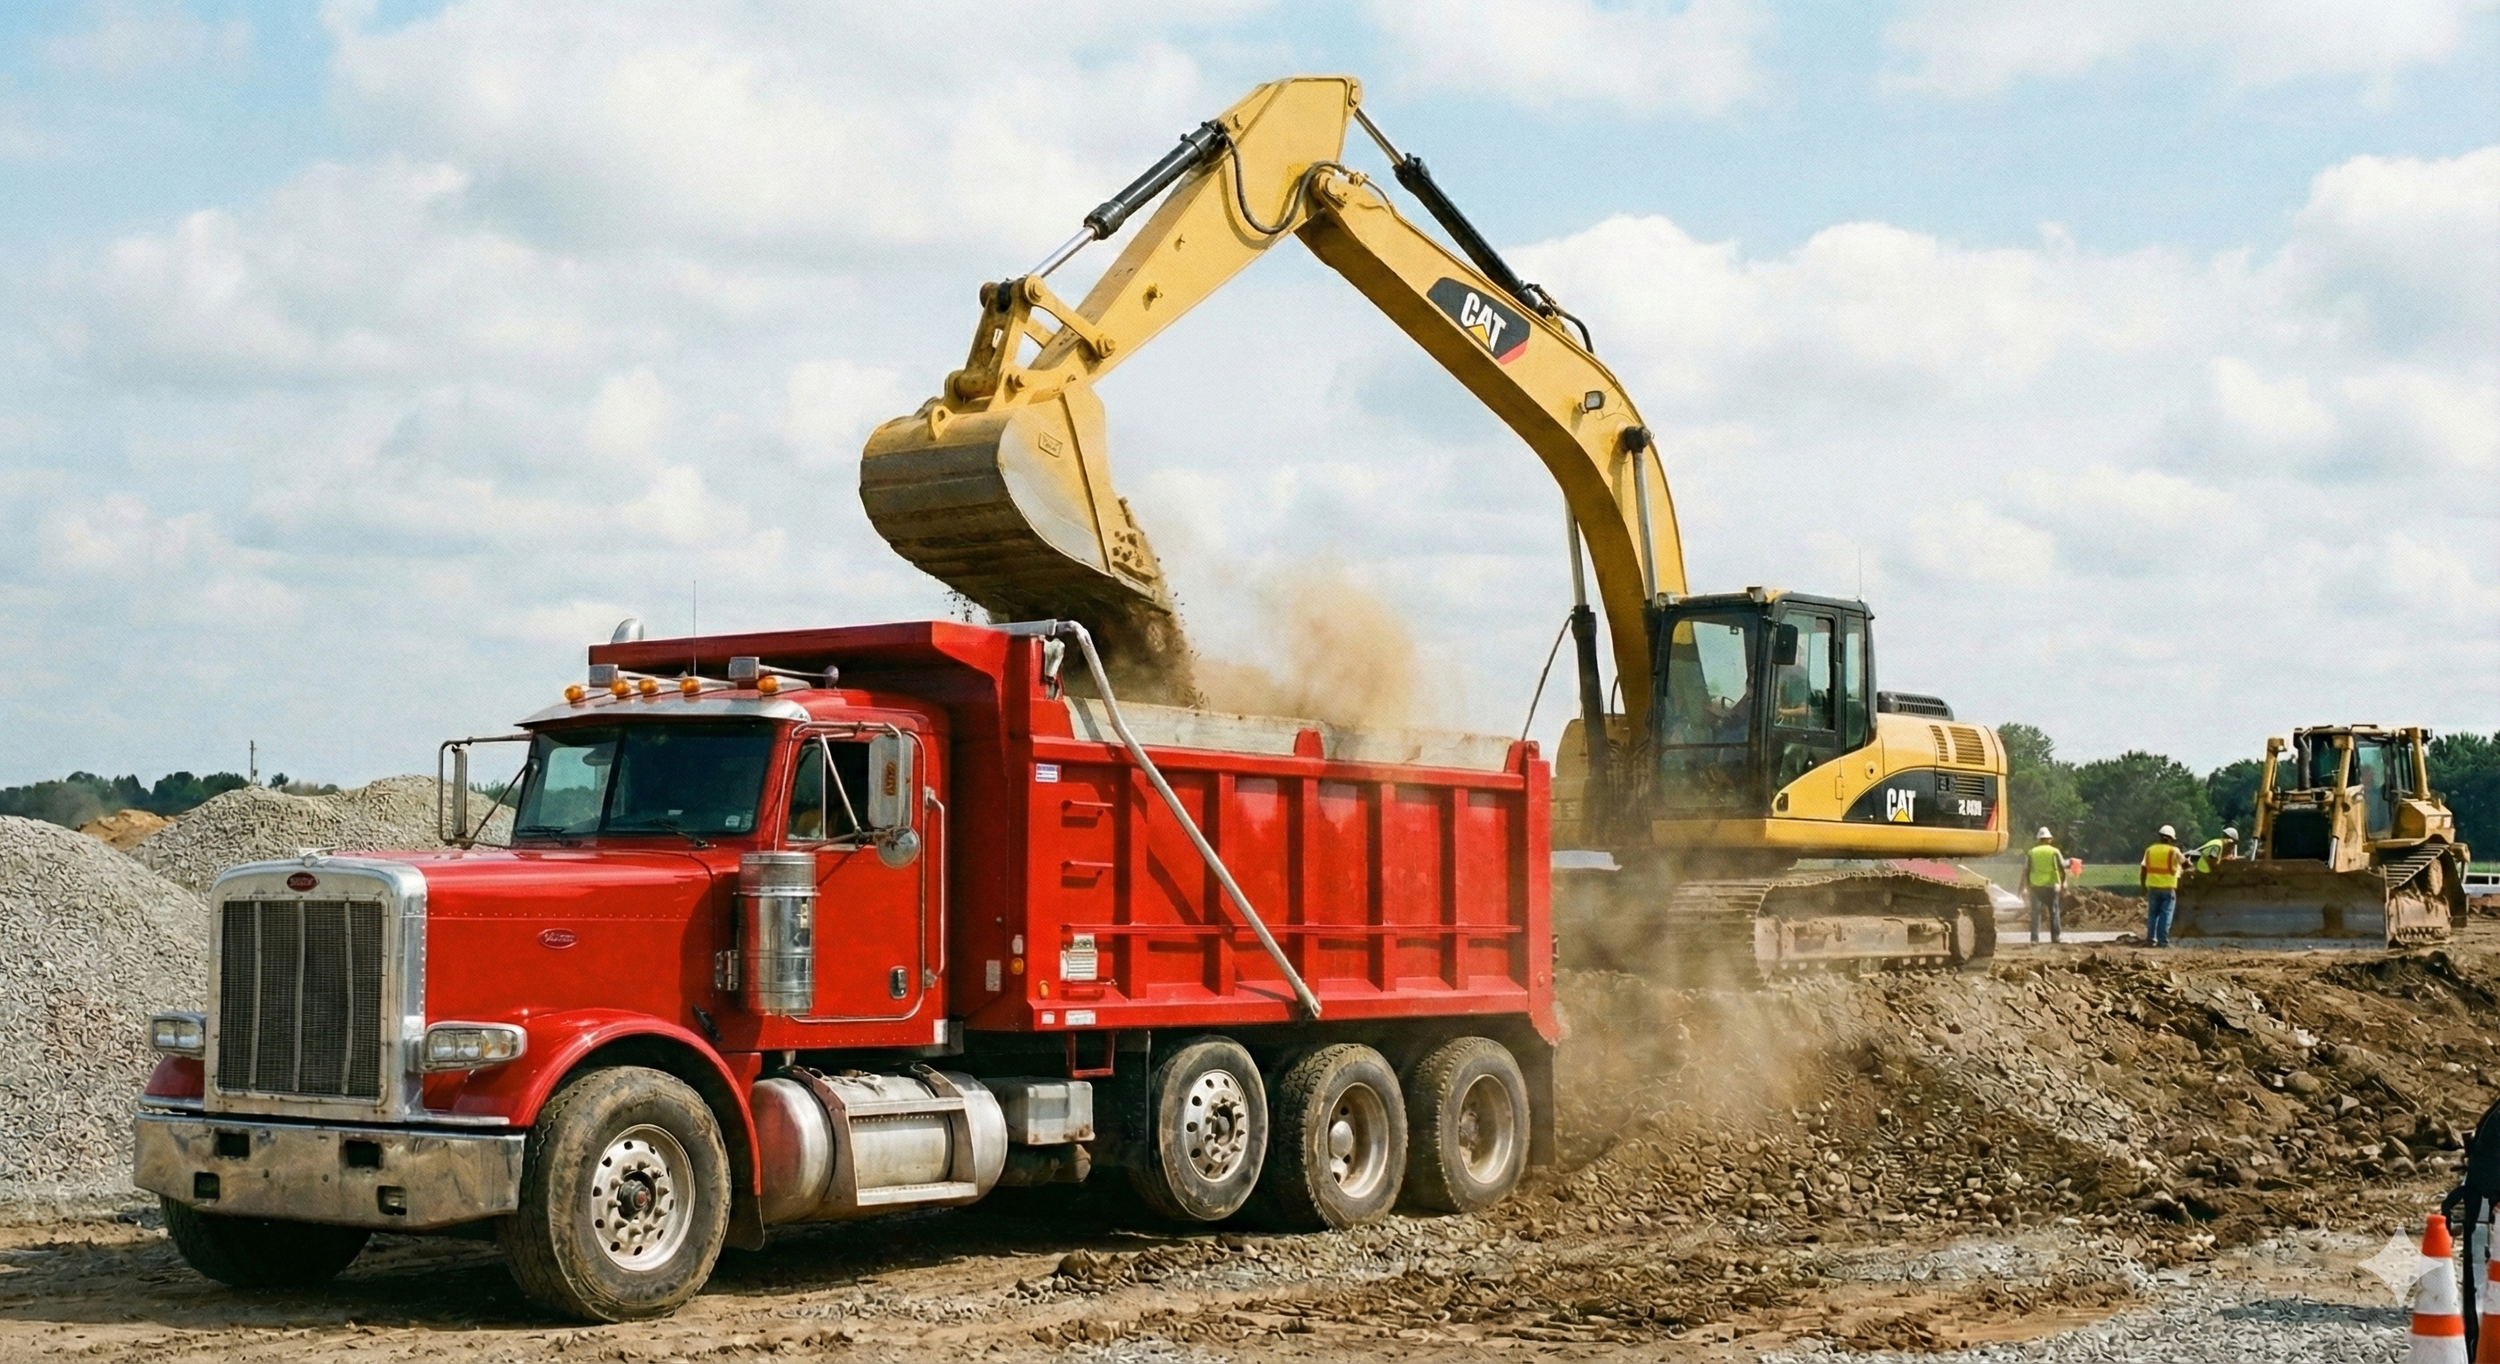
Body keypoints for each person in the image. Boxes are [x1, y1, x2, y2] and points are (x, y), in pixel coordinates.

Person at [2140, 824, 2186, 946]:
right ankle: (2163, 941)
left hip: (2153, 886)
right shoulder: (2174, 851)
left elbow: (2143, 869)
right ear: (2171, 839)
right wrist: (2188, 861)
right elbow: (2186, 865)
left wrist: (2143, 886)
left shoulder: (2150, 850)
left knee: (2153, 914)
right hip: (2168, 887)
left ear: (2160, 837)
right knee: (2165, 914)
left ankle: (2150, 939)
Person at [2023, 826, 2065, 944]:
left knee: (2035, 913)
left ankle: (2034, 939)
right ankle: (2055, 937)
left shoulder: (2032, 852)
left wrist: (2027, 885)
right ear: (2049, 839)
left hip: (2036, 885)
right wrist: (2064, 880)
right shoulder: (2054, 851)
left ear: (2039, 839)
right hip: (2052, 885)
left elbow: (2027, 869)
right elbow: (2062, 866)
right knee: (2054, 911)